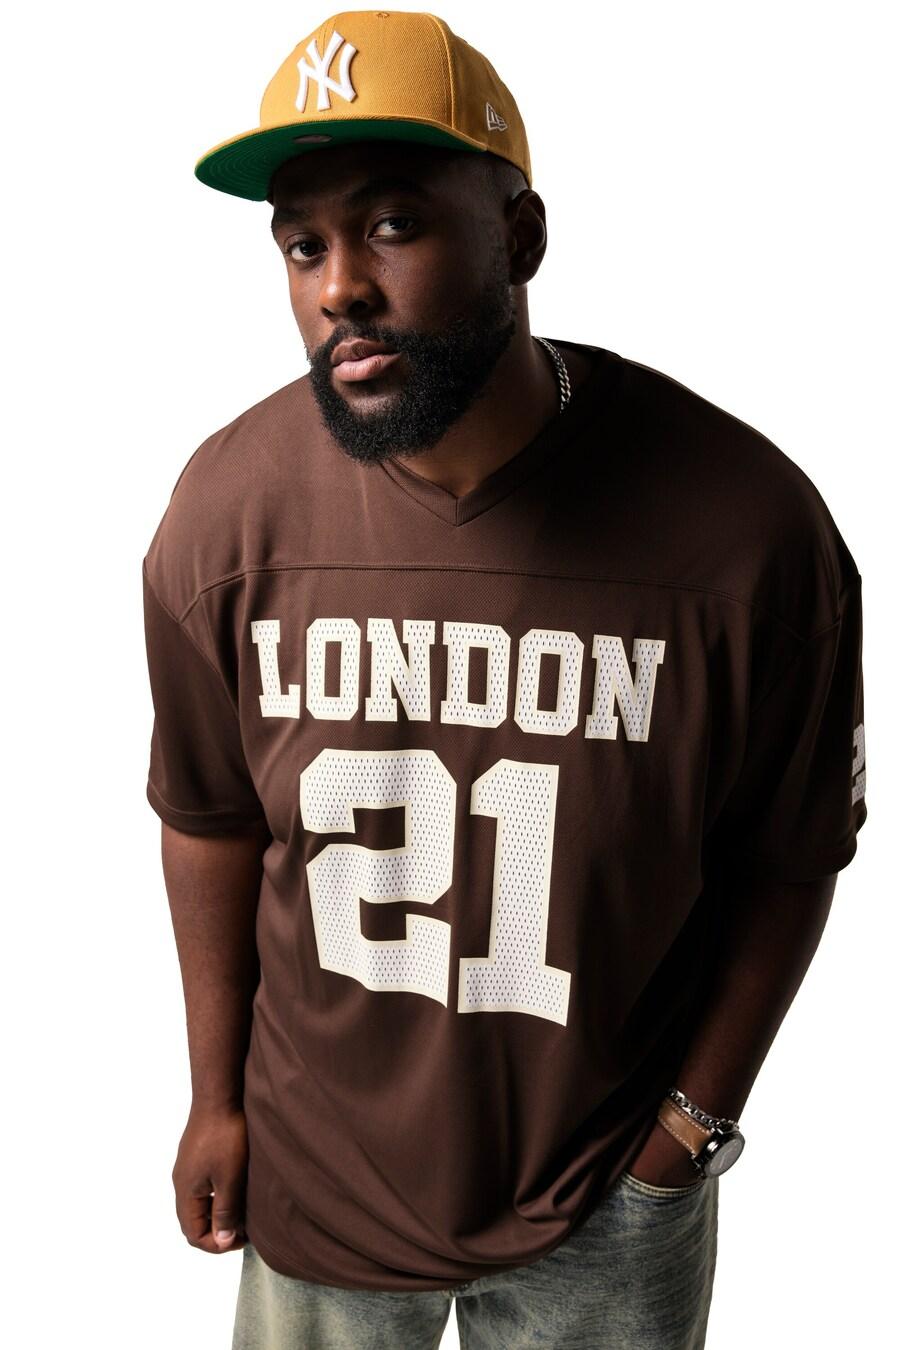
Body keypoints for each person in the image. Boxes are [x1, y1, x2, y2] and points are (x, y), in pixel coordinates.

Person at [141, 11, 868, 1348]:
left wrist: (687, 1132)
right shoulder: (227, 513)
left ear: (520, 237)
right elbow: (210, 818)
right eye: (303, 245)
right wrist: (217, 1099)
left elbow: (791, 851)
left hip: (609, 1183)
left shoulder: (746, 529)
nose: (340, 289)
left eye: (392, 225)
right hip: (319, 1171)